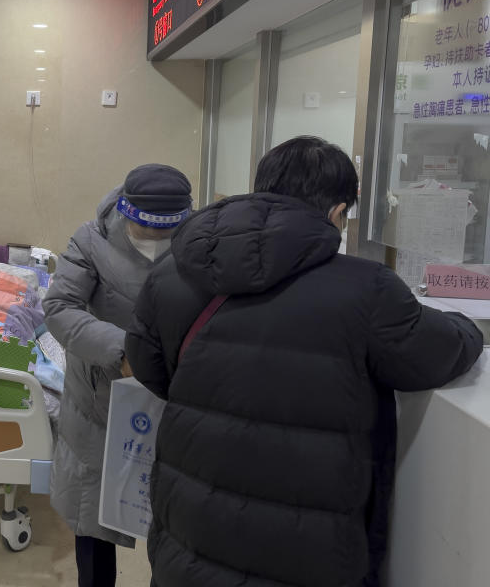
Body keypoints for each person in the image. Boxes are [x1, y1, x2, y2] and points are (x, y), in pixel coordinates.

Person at [126, 136, 484, 587]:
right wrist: (467, 326)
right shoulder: (367, 288)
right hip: (302, 550)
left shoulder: (173, 272)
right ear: (337, 212)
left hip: (189, 529)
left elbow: (149, 366)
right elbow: (435, 353)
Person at [43, 164, 193, 587]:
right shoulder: (90, 240)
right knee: (92, 519)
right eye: (147, 231)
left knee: (171, 522)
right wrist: (122, 351)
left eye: (166, 233)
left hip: (173, 395)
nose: (156, 241)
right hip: (98, 397)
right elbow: (59, 308)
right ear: (127, 214)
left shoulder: (201, 242)